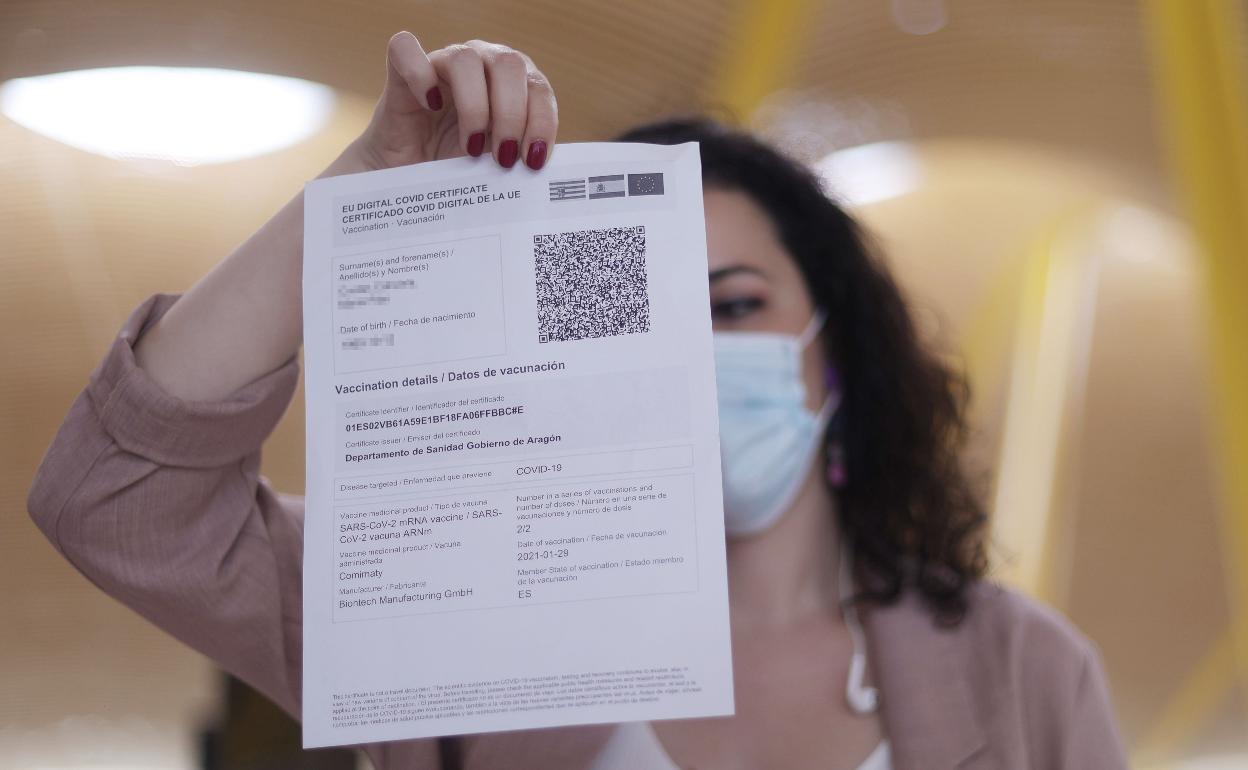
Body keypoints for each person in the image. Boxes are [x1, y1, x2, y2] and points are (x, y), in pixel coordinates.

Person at [27, 32, 1128, 770]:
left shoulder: (1022, 669)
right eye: (642, 309)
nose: (690, 350)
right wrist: (358, 199)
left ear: (833, 355)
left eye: (733, 305)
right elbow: (116, 497)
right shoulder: (440, 603)